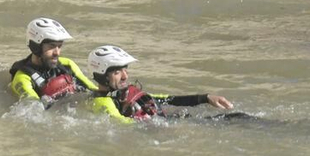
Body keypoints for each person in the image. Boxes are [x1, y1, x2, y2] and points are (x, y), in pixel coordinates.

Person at [85, 45, 234, 123]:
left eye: (125, 69)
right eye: (117, 72)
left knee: (236, 118)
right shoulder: (103, 103)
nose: (126, 76)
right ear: (102, 76)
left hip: (178, 120)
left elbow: (167, 99)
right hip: (176, 126)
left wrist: (205, 98)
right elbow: (123, 125)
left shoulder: (124, 93)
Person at [8, 17, 100, 103]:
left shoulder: (67, 64)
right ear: (36, 47)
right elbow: (34, 108)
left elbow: (93, 89)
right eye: (51, 46)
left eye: (59, 46)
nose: (57, 53)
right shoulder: (22, 78)